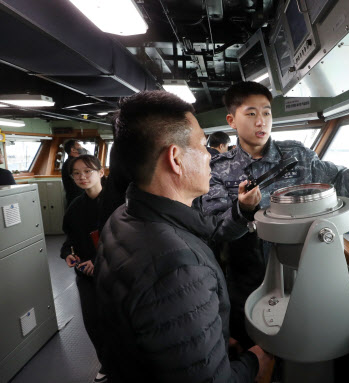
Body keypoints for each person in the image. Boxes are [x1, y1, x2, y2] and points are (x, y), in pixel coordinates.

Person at [202, 81, 349, 348]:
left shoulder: (297, 155)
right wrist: (243, 211)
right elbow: (215, 229)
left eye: (267, 113)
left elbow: (343, 186)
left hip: (304, 272)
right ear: (232, 120)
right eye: (251, 113)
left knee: (308, 345)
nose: (261, 121)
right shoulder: (217, 170)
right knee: (254, 350)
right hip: (248, 281)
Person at [94, 90, 272, 383]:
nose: (208, 155)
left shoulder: (123, 217)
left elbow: (160, 325)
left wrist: (206, 336)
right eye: (202, 145)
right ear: (175, 159)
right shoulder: (178, 267)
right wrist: (255, 361)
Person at [60, 154, 108, 383]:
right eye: (76, 173)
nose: (82, 177)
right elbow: (69, 239)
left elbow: (131, 240)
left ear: (101, 171)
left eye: (87, 171)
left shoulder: (119, 201)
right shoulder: (75, 208)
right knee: (93, 320)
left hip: (117, 271)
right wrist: (68, 254)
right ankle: (107, 363)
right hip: (86, 275)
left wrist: (99, 261)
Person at [61, 139, 84, 207]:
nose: (81, 148)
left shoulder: (73, 162)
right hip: (76, 199)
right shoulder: (71, 164)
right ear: (73, 150)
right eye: (79, 146)